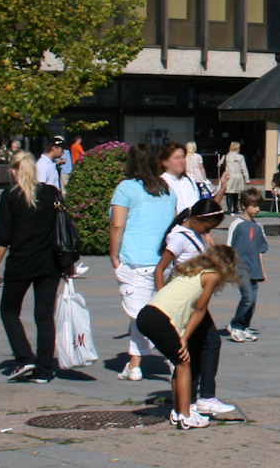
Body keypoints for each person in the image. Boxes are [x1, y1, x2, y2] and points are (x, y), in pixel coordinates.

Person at [136, 246, 239, 429]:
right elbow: (200, 309)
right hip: (160, 319)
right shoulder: (211, 276)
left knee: (178, 362)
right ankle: (185, 416)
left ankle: (177, 411)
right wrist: (185, 337)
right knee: (184, 363)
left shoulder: (187, 271)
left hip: (146, 315)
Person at [0, 152, 70, 383]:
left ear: (14, 171)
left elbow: (3, 236)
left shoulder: (10, 196)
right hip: (49, 263)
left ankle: (24, 357)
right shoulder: (51, 193)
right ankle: (44, 370)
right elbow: (62, 226)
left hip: (20, 263)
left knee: (9, 311)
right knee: (44, 316)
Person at [109, 145, 179, 382]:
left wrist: (114, 255)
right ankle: (135, 365)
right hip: (161, 261)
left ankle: (172, 358)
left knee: (144, 317)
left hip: (135, 260)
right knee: (150, 314)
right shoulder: (167, 190)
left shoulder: (126, 188)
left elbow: (117, 224)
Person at [226, 189, 268, 342]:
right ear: (244, 206)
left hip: (254, 268)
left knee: (253, 301)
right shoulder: (236, 224)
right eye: (253, 206)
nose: (257, 209)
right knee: (247, 298)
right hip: (240, 267)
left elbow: (260, 251)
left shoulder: (258, 227)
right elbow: (229, 246)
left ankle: (244, 326)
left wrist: (262, 271)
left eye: (258, 206)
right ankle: (236, 325)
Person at [155, 197, 224, 289]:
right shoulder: (179, 238)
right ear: (196, 220)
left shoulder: (195, 233)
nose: (207, 232)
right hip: (179, 290)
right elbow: (159, 269)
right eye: (207, 228)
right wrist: (161, 298)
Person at [159, 144, 201, 215]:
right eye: (177, 158)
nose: (182, 161)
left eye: (183, 157)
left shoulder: (190, 181)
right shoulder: (160, 183)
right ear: (165, 162)